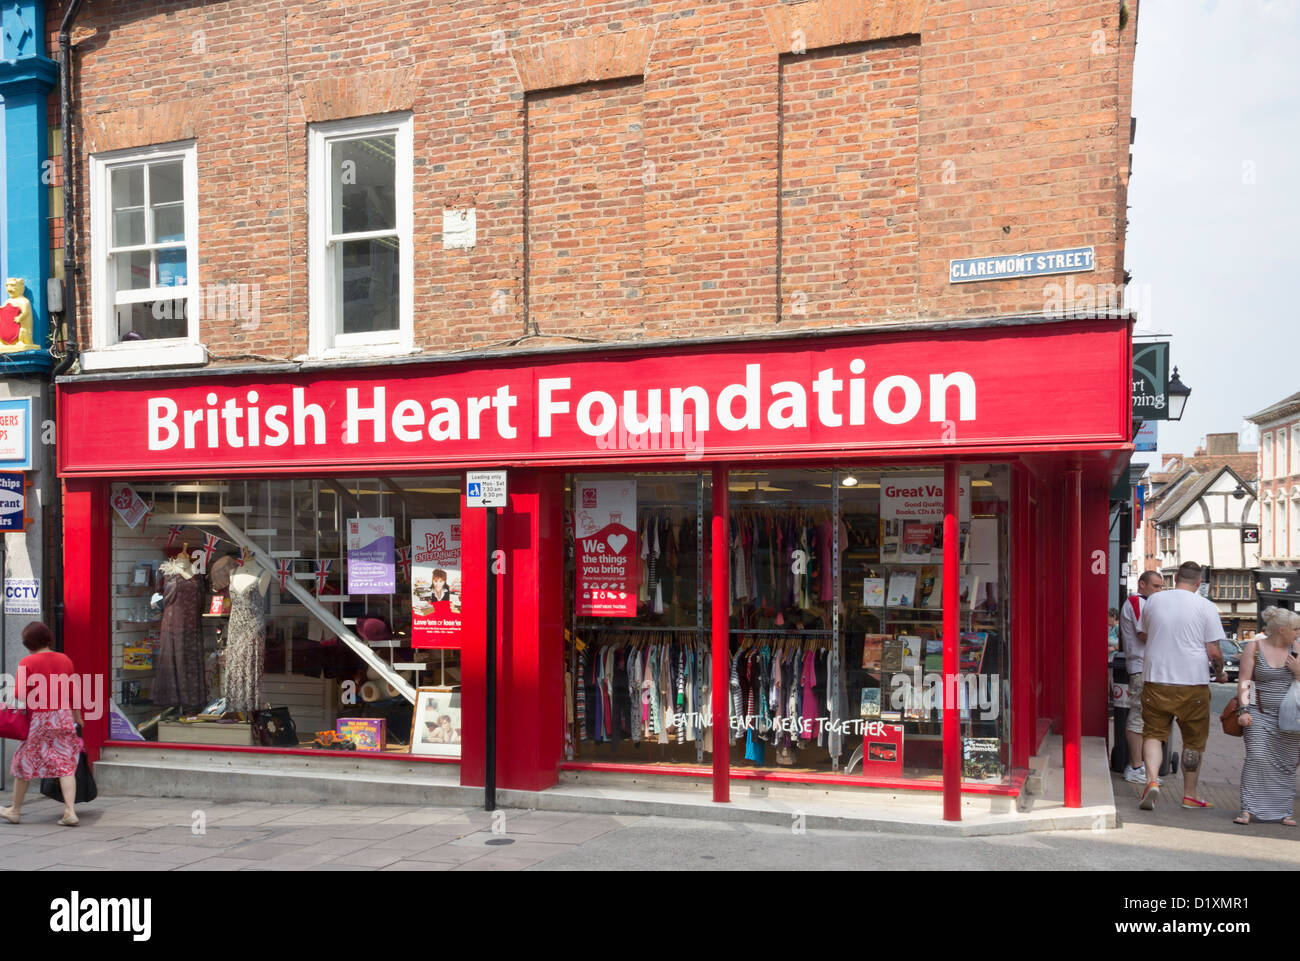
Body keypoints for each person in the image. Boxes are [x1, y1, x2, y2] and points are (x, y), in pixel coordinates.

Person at [1135, 561, 1224, 811]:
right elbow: (1214, 651)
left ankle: (1152, 781)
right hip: (1192, 682)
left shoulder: (1154, 601)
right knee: (1193, 741)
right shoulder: (1206, 606)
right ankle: (1190, 795)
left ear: (1175, 578)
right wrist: (1220, 673)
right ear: (1198, 583)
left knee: (1153, 733)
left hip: (1156, 677)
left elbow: (1144, 632)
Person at [0, 622, 84, 826]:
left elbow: (20, 693)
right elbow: (73, 692)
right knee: (65, 763)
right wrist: (77, 717)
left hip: (39, 718)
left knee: (24, 761)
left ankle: (15, 810)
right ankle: (70, 811)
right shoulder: (65, 660)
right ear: (49, 638)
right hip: (63, 716)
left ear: (28, 642)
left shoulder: (27, 661)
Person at [1234, 606, 1300, 825]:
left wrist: (1298, 671)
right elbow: (1246, 681)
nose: (1298, 632)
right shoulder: (1254, 648)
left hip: (1290, 718)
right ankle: (1248, 809)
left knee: (1286, 764)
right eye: (1296, 629)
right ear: (1282, 630)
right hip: (1258, 714)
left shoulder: (1297, 649)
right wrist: (1244, 710)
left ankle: (1284, 811)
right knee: (1257, 758)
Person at [1118, 570, 1164, 784]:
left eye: (1160, 587)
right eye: (1155, 586)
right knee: (1138, 716)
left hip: (1148, 667)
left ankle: (1142, 766)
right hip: (1141, 667)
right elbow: (1143, 634)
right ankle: (1135, 765)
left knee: (1146, 717)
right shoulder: (1137, 602)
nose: (1158, 591)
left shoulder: (1147, 603)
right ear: (1142, 584)